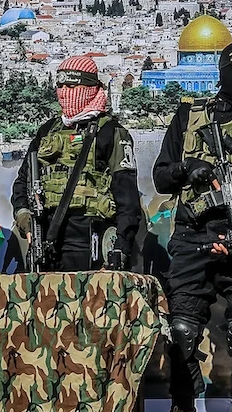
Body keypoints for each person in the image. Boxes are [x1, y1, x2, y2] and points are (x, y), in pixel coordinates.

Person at [150, 41, 232, 412]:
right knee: (182, 331)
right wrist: (189, 169)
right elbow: (161, 177)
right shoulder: (189, 114)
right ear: (223, 74)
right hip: (192, 235)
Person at [9, 56, 141, 271]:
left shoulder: (110, 132)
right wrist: (24, 217)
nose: (64, 93)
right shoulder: (48, 130)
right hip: (47, 239)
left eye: (71, 87)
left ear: (89, 88)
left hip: (91, 237)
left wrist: (121, 247)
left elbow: (127, 198)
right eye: (60, 86)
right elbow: (23, 181)